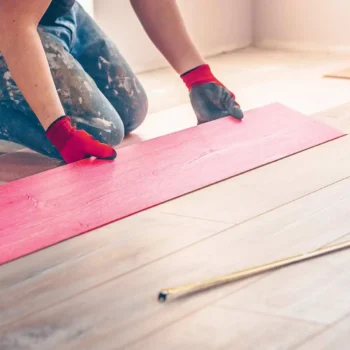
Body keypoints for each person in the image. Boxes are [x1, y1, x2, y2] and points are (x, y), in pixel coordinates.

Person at [0, 0, 243, 164]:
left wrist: (197, 77)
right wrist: (60, 131)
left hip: (56, 12)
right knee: (100, 132)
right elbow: (14, 23)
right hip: (11, 22)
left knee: (131, 112)